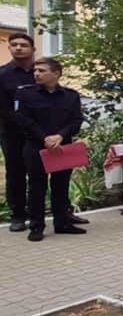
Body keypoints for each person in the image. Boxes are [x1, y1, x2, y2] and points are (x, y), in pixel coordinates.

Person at [15, 58, 84, 242]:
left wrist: (60, 136)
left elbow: (76, 120)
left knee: (61, 186)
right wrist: (44, 138)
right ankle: (36, 226)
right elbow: (23, 120)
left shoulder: (71, 96)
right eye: (35, 70)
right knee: (37, 188)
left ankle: (62, 223)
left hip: (62, 147)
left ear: (56, 73)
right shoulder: (26, 94)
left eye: (42, 70)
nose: (36, 74)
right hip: (36, 146)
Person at [0, 32, 38, 232]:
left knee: (43, 173)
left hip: (40, 133)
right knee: (16, 173)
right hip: (12, 133)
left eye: (23, 45)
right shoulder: (3, 75)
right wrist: (23, 123)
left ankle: (49, 213)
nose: (18, 48)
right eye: (14, 44)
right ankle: (18, 215)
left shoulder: (40, 72)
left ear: (33, 49)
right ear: (9, 48)